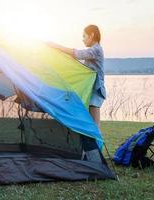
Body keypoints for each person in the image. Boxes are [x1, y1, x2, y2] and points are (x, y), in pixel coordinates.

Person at [47, 25, 106, 162]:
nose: (83, 39)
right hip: (90, 91)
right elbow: (78, 61)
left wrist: (55, 46)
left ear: (91, 35)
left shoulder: (96, 50)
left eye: (84, 36)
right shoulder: (93, 50)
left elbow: (77, 54)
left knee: (94, 125)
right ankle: (92, 154)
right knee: (91, 124)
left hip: (96, 92)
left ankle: (96, 156)